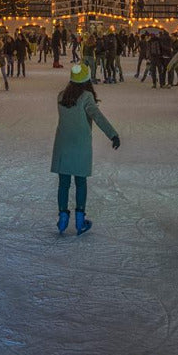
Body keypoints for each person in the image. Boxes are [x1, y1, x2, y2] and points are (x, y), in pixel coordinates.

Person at [50, 64, 121, 235]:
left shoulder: (61, 96)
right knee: (80, 183)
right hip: (80, 146)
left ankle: (62, 219)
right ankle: (80, 220)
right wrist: (113, 134)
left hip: (63, 146)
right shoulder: (86, 97)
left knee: (64, 184)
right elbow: (97, 117)